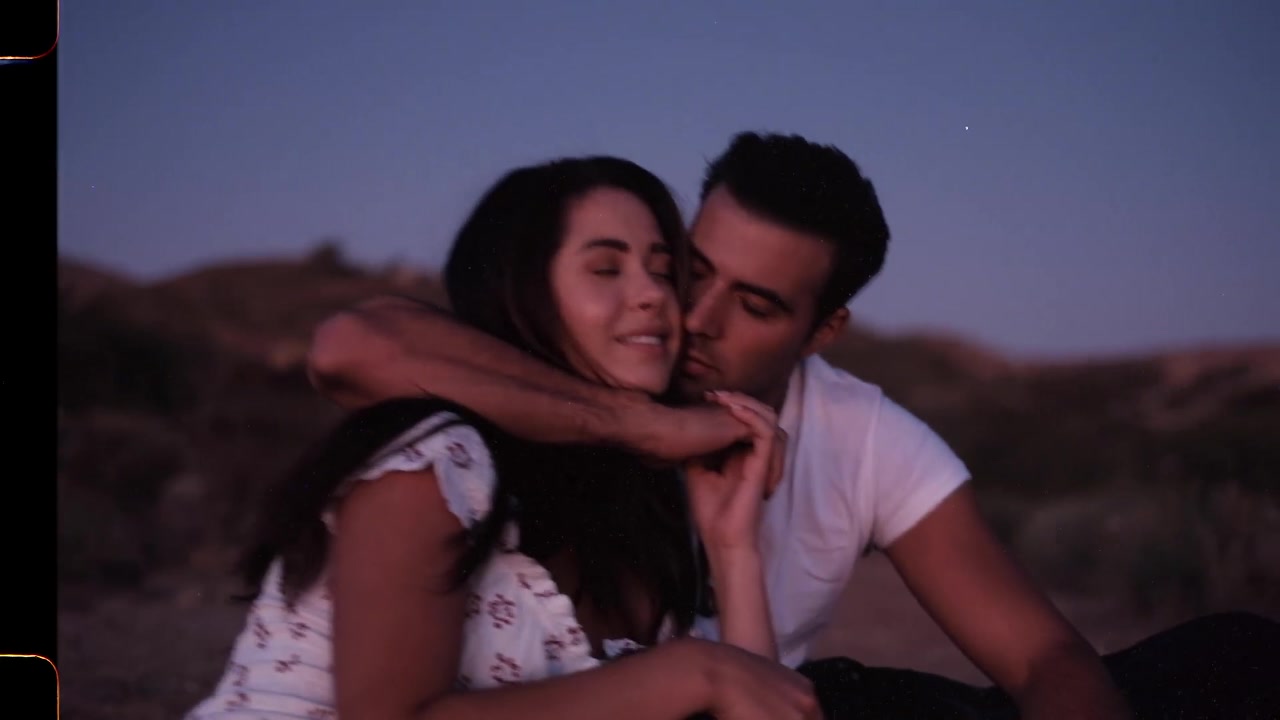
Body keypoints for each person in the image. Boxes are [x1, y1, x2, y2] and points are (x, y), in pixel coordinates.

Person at [307, 132, 1280, 719]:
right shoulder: (567, 376)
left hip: (756, 696)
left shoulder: (861, 435)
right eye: (690, 272)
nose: (694, 319)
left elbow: (1041, 657)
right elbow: (356, 343)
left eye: (758, 305)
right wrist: (638, 427)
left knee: (1233, 657)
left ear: (822, 331)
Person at [185, 155, 822, 720]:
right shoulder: (439, 458)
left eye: (663, 272)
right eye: (606, 269)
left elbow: (757, 704)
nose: (652, 295)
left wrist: (732, 548)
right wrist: (690, 674)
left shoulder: (645, 502)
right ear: (526, 293)